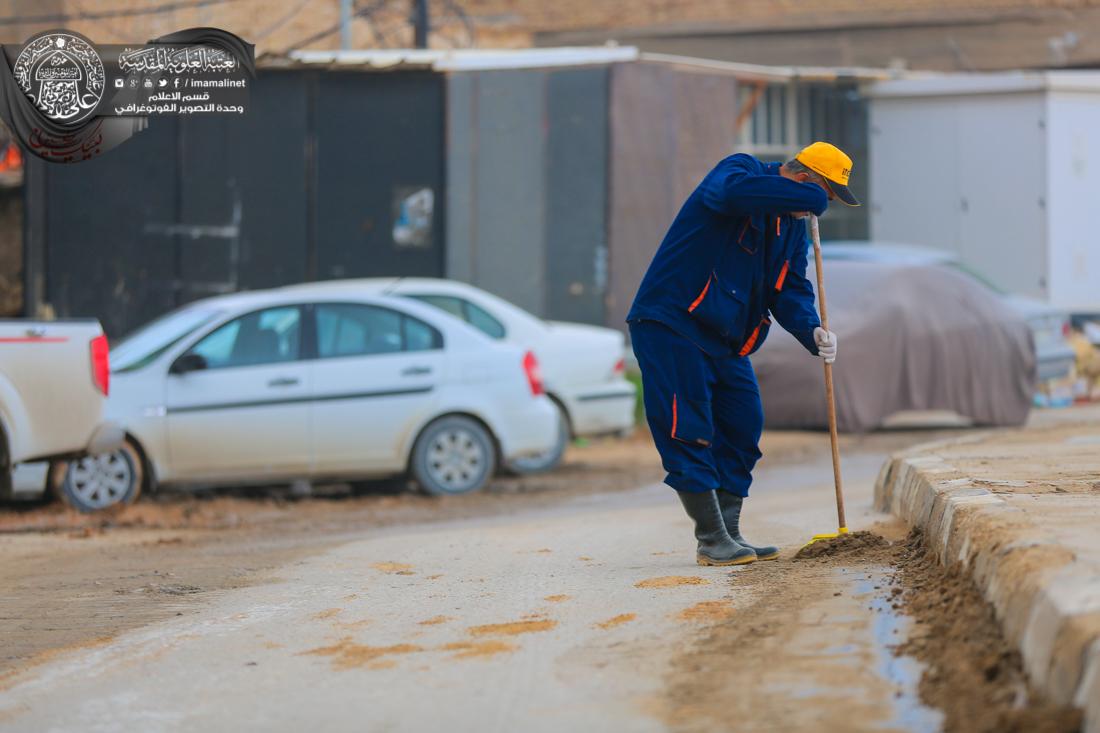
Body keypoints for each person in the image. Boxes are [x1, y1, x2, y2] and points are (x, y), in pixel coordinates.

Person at [626, 141, 859, 566]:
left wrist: (813, 330)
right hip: (672, 324)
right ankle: (711, 539)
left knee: (743, 424)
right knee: (688, 426)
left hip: (725, 338)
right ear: (804, 181)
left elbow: (788, 289)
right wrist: (811, 199)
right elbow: (730, 197)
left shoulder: (789, 229)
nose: (814, 210)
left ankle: (731, 531)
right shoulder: (739, 172)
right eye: (821, 196)